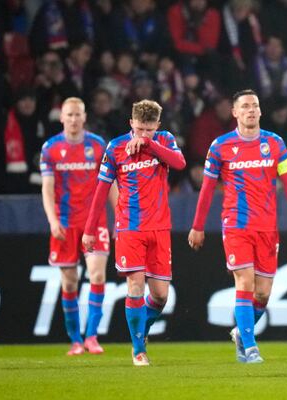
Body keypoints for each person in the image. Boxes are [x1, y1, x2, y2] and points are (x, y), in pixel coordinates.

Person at [187, 89, 287, 364]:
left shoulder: (275, 143)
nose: (251, 110)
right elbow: (206, 189)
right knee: (245, 282)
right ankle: (251, 348)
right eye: (245, 106)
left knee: (263, 294)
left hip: (267, 226)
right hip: (236, 225)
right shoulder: (220, 146)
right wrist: (198, 226)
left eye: (255, 106)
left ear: (260, 111)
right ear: (235, 112)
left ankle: (242, 332)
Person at [82, 100, 186, 367]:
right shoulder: (115, 147)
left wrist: (151, 144)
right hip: (129, 228)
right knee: (135, 286)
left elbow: (180, 163)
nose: (143, 134)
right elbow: (101, 190)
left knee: (161, 295)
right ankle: (139, 349)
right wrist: (90, 229)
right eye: (139, 129)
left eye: (149, 129)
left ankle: (141, 330)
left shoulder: (163, 140)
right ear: (131, 123)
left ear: (158, 127)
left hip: (160, 228)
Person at [40, 97, 117, 356]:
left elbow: (110, 185)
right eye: (69, 115)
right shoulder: (50, 148)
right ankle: (75, 339)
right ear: (61, 117)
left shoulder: (97, 146)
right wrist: (52, 221)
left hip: (94, 223)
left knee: (97, 275)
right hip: (64, 223)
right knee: (70, 282)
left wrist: (119, 217)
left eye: (77, 115)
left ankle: (92, 336)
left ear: (84, 117)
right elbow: (47, 189)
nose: (73, 119)